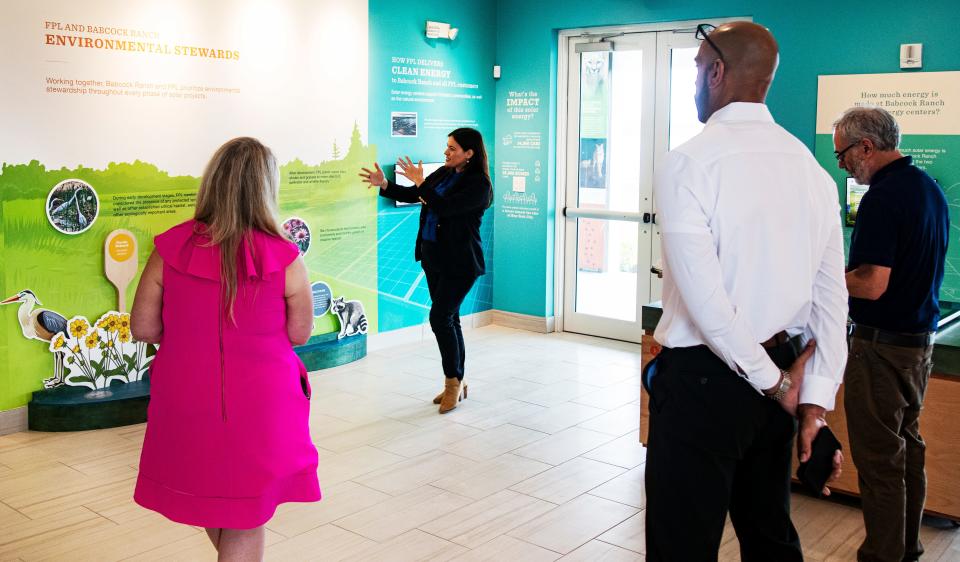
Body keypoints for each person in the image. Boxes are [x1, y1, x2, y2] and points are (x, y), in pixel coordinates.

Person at [644, 22, 848, 561]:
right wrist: (812, 405)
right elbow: (832, 304)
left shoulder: (688, 161)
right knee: (769, 534)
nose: (692, 86)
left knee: (681, 543)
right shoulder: (812, 171)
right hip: (776, 380)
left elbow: (710, 308)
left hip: (708, 382)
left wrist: (782, 388)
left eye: (694, 72)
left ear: (716, 73)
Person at [131, 137, 320, 560]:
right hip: (263, 398)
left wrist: (189, 337)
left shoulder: (169, 248)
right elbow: (301, 333)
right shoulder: (286, 257)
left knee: (214, 496)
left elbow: (142, 327)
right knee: (245, 513)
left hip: (184, 392)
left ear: (211, 183)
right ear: (265, 189)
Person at [834, 106, 949, 562]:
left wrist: (819, 277)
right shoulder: (928, 189)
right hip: (918, 345)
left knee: (880, 461)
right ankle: (907, 547)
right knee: (908, 450)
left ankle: (883, 556)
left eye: (844, 154)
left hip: (880, 349)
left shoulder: (881, 198)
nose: (842, 164)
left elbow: (871, 283)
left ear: (866, 147)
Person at [359, 128, 493, 414]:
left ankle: (452, 383)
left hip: (461, 263)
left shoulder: (479, 185)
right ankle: (457, 378)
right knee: (450, 318)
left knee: (440, 317)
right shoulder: (444, 173)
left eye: (453, 148)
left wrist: (421, 184)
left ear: (469, 154)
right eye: (446, 147)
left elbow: (444, 207)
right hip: (434, 258)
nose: (446, 152)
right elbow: (413, 193)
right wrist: (384, 184)